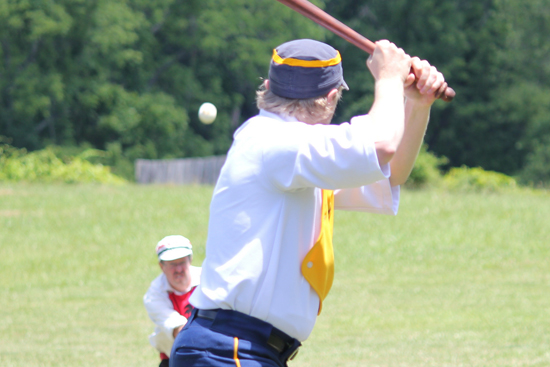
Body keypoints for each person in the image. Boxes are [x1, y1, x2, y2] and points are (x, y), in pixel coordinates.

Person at [170, 38, 446, 367]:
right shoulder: (279, 142)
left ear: (270, 87)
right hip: (231, 348)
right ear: (331, 97)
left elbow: (391, 172)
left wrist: (417, 104)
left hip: (239, 349)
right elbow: (382, 145)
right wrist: (388, 78)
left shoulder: (290, 152)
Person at [143, 235, 201, 367]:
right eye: (172, 264)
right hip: (174, 358)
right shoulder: (154, 295)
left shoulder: (207, 281)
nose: (178, 269)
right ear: (161, 266)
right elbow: (179, 330)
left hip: (209, 353)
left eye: (182, 262)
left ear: (190, 260)